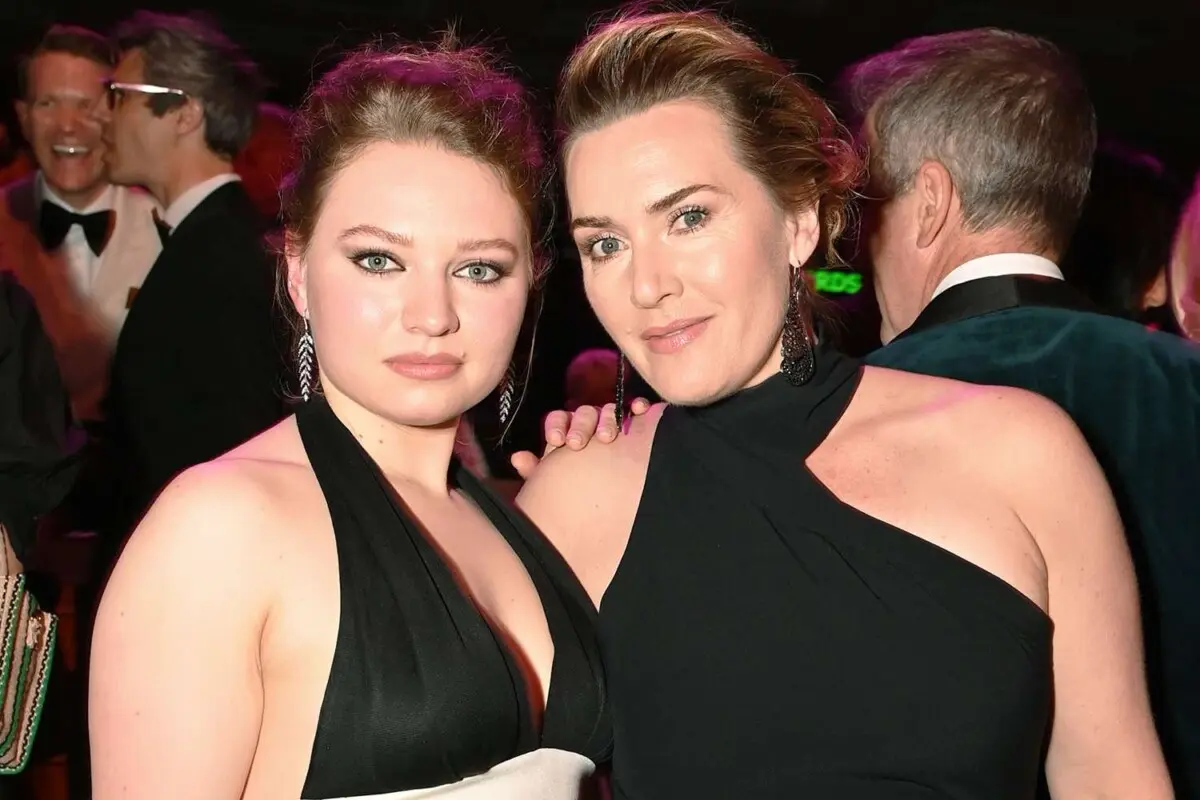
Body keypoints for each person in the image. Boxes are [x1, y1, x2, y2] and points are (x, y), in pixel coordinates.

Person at [516, 9, 1172, 798]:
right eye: (605, 244)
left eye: (688, 217)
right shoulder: (575, 499)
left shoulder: (1021, 452)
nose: (646, 284)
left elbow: (1111, 776)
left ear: (798, 219)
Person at [89, 40, 610, 799]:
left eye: (478, 269)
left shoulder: (505, 519)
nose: (431, 314)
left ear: (529, 284)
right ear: (298, 272)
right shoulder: (220, 526)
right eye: (378, 260)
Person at [841, 28, 1200, 794]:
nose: (855, 239)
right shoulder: (1186, 380)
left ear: (929, 202)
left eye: (866, 204)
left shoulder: (856, 411)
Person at [96, 11, 289, 538]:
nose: (101, 115)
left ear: (183, 112)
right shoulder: (213, 242)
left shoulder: (222, 258)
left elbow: (229, 448)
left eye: (118, 96)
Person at [0, 24, 161, 425]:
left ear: (117, 114)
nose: (67, 125)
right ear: (23, 118)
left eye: (86, 105)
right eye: (48, 104)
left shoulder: (168, 229)